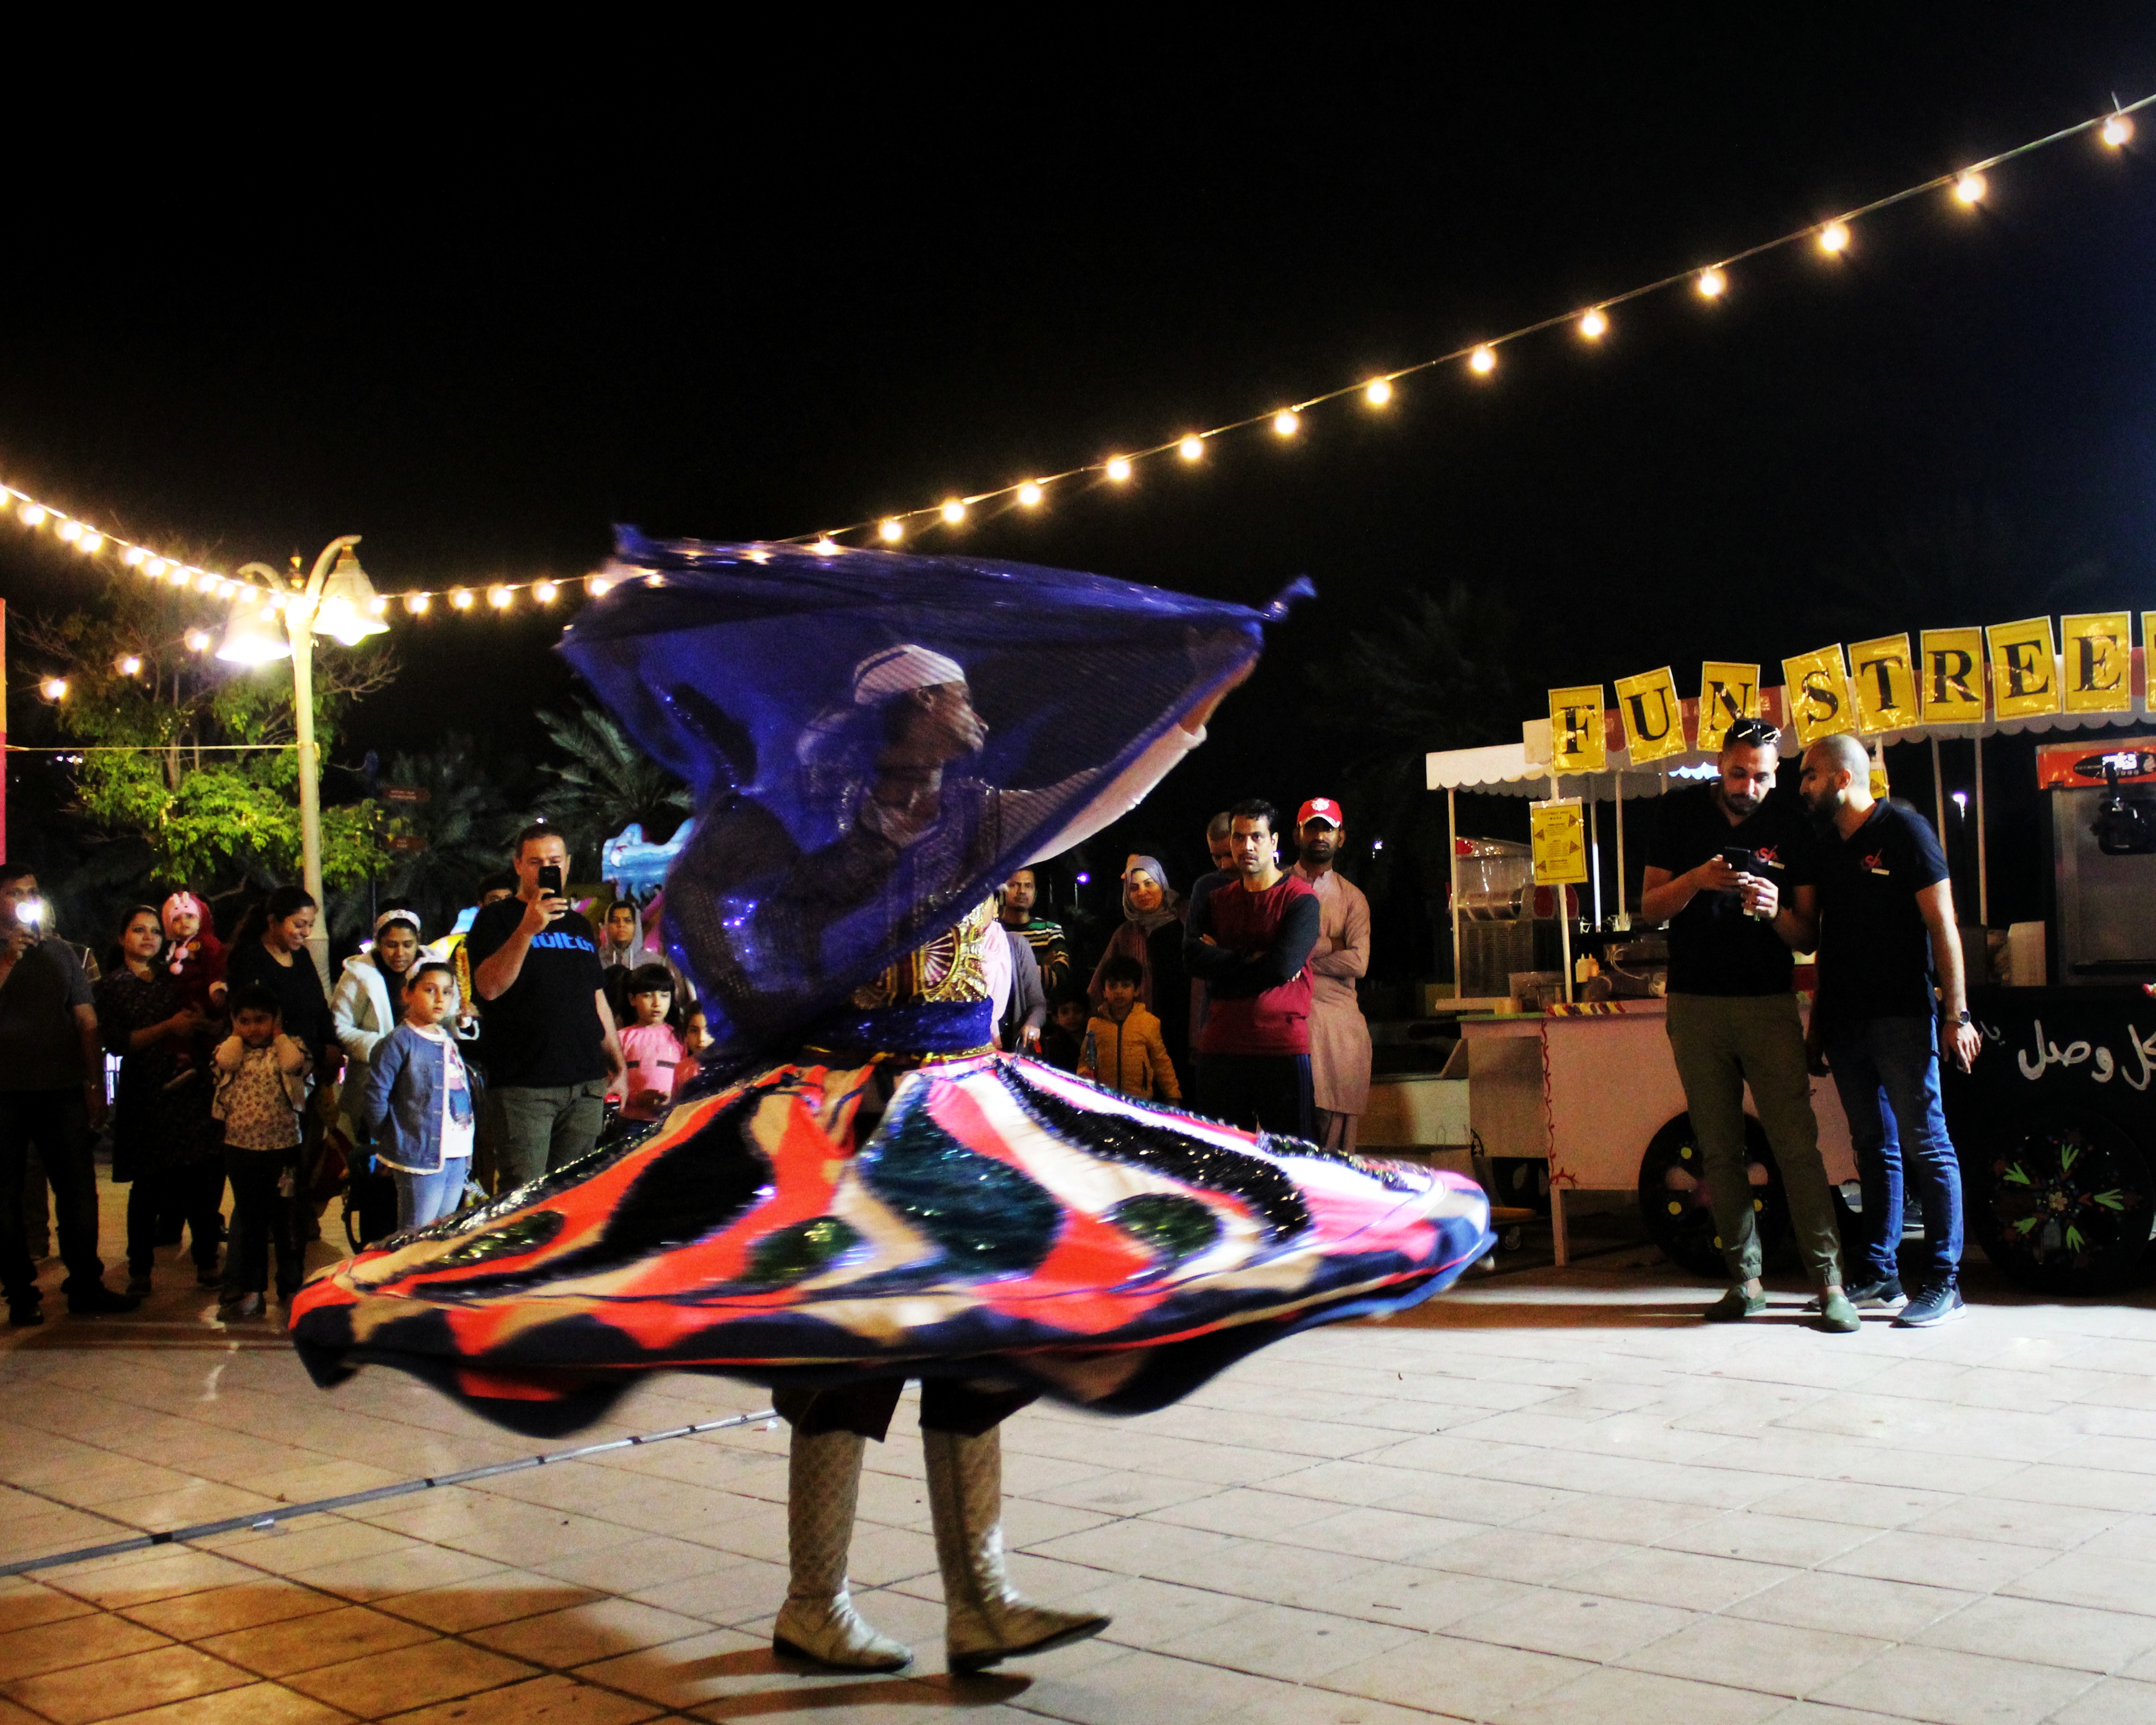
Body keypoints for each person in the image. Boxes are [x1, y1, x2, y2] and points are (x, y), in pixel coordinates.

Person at [292, 537, 1494, 1680]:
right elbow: (751, 918)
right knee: (852, 1353)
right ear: (904, 718)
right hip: (843, 1118)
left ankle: (980, 1598)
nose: (973, 712)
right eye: (951, 700)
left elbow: (1103, 791)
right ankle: (816, 1603)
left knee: (976, 1344)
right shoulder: (822, 821)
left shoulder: (981, 813)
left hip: (971, 1110)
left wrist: (1192, 704)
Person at [1640, 717, 1856, 1331]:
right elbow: (1649, 906)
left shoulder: (1792, 823)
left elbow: (1807, 934)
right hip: (1695, 1001)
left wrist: (1772, 911)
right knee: (1719, 1149)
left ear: (1777, 773)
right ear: (1718, 764)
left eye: (1762, 777)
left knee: (1795, 1144)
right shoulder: (1680, 814)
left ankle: (1829, 1283)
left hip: (1767, 1001)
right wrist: (1696, 880)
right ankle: (1746, 1281)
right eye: (1738, 774)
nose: (1749, 787)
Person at [1800, 730, 1980, 1328]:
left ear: (1843, 778)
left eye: (1810, 776)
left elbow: (1943, 926)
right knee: (1872, 1148)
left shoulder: (1904, 831)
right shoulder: (1828, 847)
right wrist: (1818, 1023)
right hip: (1846, 1020)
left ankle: (1945, 1282)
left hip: (1903, 1015)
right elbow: (1825, 942)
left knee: (1926, 1142)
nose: (1802, 787)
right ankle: (1879, 1272)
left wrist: (1956, 1014)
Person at [0, 862, 137, 1321]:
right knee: (8, 1196)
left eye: (32, 892)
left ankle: (86, 1283)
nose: (24, 900)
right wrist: (7, 961)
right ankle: (20, 1293)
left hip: (60, 1091)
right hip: (5, 1094)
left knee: (78, 1190)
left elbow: (87, 1022)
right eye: (14, 893)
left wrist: (94, 1083)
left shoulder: (62, 953)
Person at [468, 826, 626, 1189]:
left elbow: (595, 997)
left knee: (571, 1196)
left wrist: (618, 1063)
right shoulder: (496, 919)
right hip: (526, 1087)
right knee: (522, 1197)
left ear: (567, 865)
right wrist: (526, 930)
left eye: (554, 861)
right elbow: (489, 988)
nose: (545, 869)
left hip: (585, 1083)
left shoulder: (579, 926)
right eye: (536, 862)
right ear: (519, 865)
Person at [96, 906, 221, 1294]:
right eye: (138, 930)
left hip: (188, 1089)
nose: (148, 937)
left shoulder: (176, 977)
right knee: (147, 1185)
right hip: (145, 1092)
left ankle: (207, 1260)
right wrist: (167, 1027)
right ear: (122, 938)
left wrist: (202, 1022)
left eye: (154, 930)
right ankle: (140, 1268)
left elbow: (209, 1022)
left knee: (198, 1180)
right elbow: (119, 1042)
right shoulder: (112, 986)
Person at [1185, 801, 1320, 1136]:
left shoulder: (1300, 900)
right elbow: (1191, 958)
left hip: (1278, 1045)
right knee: (1223, 1163)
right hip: (1220, 1046)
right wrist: (1250, 957)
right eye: (1239, 837)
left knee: (1296, 1161)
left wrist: (1222, 973)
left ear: (1274, 842)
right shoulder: (1216, 898)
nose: (1247, 846)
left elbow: (1281, 966)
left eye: (1257, 837)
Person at [332, 907, 434, 1244]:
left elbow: (447, 1020)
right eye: (391, 944)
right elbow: (340, 1026)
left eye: (407, 944)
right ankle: (374, 1248)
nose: (400, 953)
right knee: (377, 1175)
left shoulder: (432, 972)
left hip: (420, 1094)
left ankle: (410, 1246)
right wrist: (384, 1048)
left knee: (413, 1174)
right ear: (378, 943)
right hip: (374, 1090)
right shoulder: (358, 974)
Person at [211, 983, 311, 1318]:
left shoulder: (291, 1047)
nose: (254, 1028)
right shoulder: (230, 1053)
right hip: (241, 1152)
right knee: (252, 1224)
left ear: (276, 1020)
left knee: (288, 1222)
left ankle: (292, 1286)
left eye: (261, 1020)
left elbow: (295, 1064)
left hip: (284, 1153)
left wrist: (279, 1034)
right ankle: (253, 1292)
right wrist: (235, 1035)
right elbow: (224, 1060)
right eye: (245, 1020)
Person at [362, 963, 476, 1232]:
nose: (440, 999)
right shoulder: (399, 1041)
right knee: (416, 1233)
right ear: (408, 994)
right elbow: (375, 1095)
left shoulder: (447, 1038)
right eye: (430, 990)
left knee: (442, 1233)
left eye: (447, 992)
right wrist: (391, 1139)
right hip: (419, 1154)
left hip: (456, 1152)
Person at [1289, 798, 1373, 1152]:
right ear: (1297, 834)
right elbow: (1267, 952)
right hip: (1288, 1018)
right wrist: (1332, 943)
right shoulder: (1278, 887)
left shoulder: (1352, 898)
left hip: (1339, 1025)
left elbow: (1358, 963)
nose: (1319, 835)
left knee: (1334, 1134)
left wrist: (1299, 957)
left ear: (1342, 837)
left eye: (1327, 828)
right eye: (1312, 826)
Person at [1087, 857, 1191, 1067]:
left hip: (1187, 1026)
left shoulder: (1187, 920)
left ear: (1162, 883)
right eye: (1134, 888)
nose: (1143, 892)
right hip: (1142, 1036)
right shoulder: (1125, 934)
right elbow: (1099, 987)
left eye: (1149, 884)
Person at [1078, 953, 1180, 1102]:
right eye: (1113, 986)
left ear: (1137, 990)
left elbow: (1161, 1062)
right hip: (1104, 1099)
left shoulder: (1148, 1023)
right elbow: (1086, 1059)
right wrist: (1084, 1081)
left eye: (1126, 985)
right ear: (1104, 992)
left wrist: (1172, 1095)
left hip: (1139, 1100)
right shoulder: (1095, 1024)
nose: (1119, 991)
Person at [1187, 813, 1236, 1056]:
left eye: (1229, 854)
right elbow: (1192, 957)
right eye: (1216, 856)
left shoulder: (1277, 882)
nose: (1224, 864)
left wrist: (1220, 951)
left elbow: (1279, 960)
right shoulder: (1205, 887)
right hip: (1216, 1007)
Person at [614, 964, 686, 1122]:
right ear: (632, 999)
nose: (657, 1003)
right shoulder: (622, 1038)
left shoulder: (680, 1037)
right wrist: (636, 1098)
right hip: (631, 1120)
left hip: (670, 1121)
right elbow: (612, 1080)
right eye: (648, 995)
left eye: (664, 996)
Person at [999, 868, 1070, 996]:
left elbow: (1060, 977)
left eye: (1028, 886)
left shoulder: (1051, 930)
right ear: (1002, 891)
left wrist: (1008, 972)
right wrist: (1041, 967)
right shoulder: (993, 931)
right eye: (1014, 885)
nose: (1022, 891)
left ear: (1035, 893)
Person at [999, 919, 1047, 1052]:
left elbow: (1037, 1004)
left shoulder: (1016, 944)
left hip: (1012, 1048)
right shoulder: (959, 949)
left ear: (995, 907)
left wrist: (1032, 1024)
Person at [1040, 991, 1088, 1072]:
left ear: (1087, 1015)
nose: (1071, 1016)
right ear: (1055, 1018)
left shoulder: (1093, 1039)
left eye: (1078, 1011)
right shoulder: (1053, 1046)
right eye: (1065, 1012)